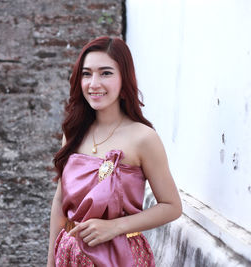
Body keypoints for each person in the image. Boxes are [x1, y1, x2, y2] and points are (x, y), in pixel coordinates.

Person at [46, 36, 182, 267]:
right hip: (69, 254)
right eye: (87, 74)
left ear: (124, 80)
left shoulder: (143, 138)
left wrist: (114, 227)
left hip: (121, 256)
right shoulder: (74, 132)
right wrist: (51, 261)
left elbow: (171, 206)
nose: (94, 83)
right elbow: (60, 201)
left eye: (106, 73)